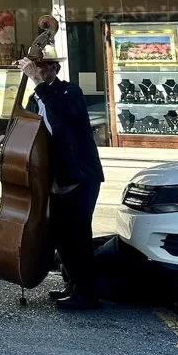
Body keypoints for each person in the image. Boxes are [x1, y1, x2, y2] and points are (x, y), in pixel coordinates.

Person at [18, 48, 104, 310]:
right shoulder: (37, 97)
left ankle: (87, 293)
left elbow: (60, 122)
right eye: (36, 67)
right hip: (56, 178)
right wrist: (10, 136)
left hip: (80, 176)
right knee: (60, 236)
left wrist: (38, 83)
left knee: (78, 236)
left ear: (55, 68)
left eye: (44, 67)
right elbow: (34, 129)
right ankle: (73, 284)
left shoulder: (70, 93)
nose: (39, 71)